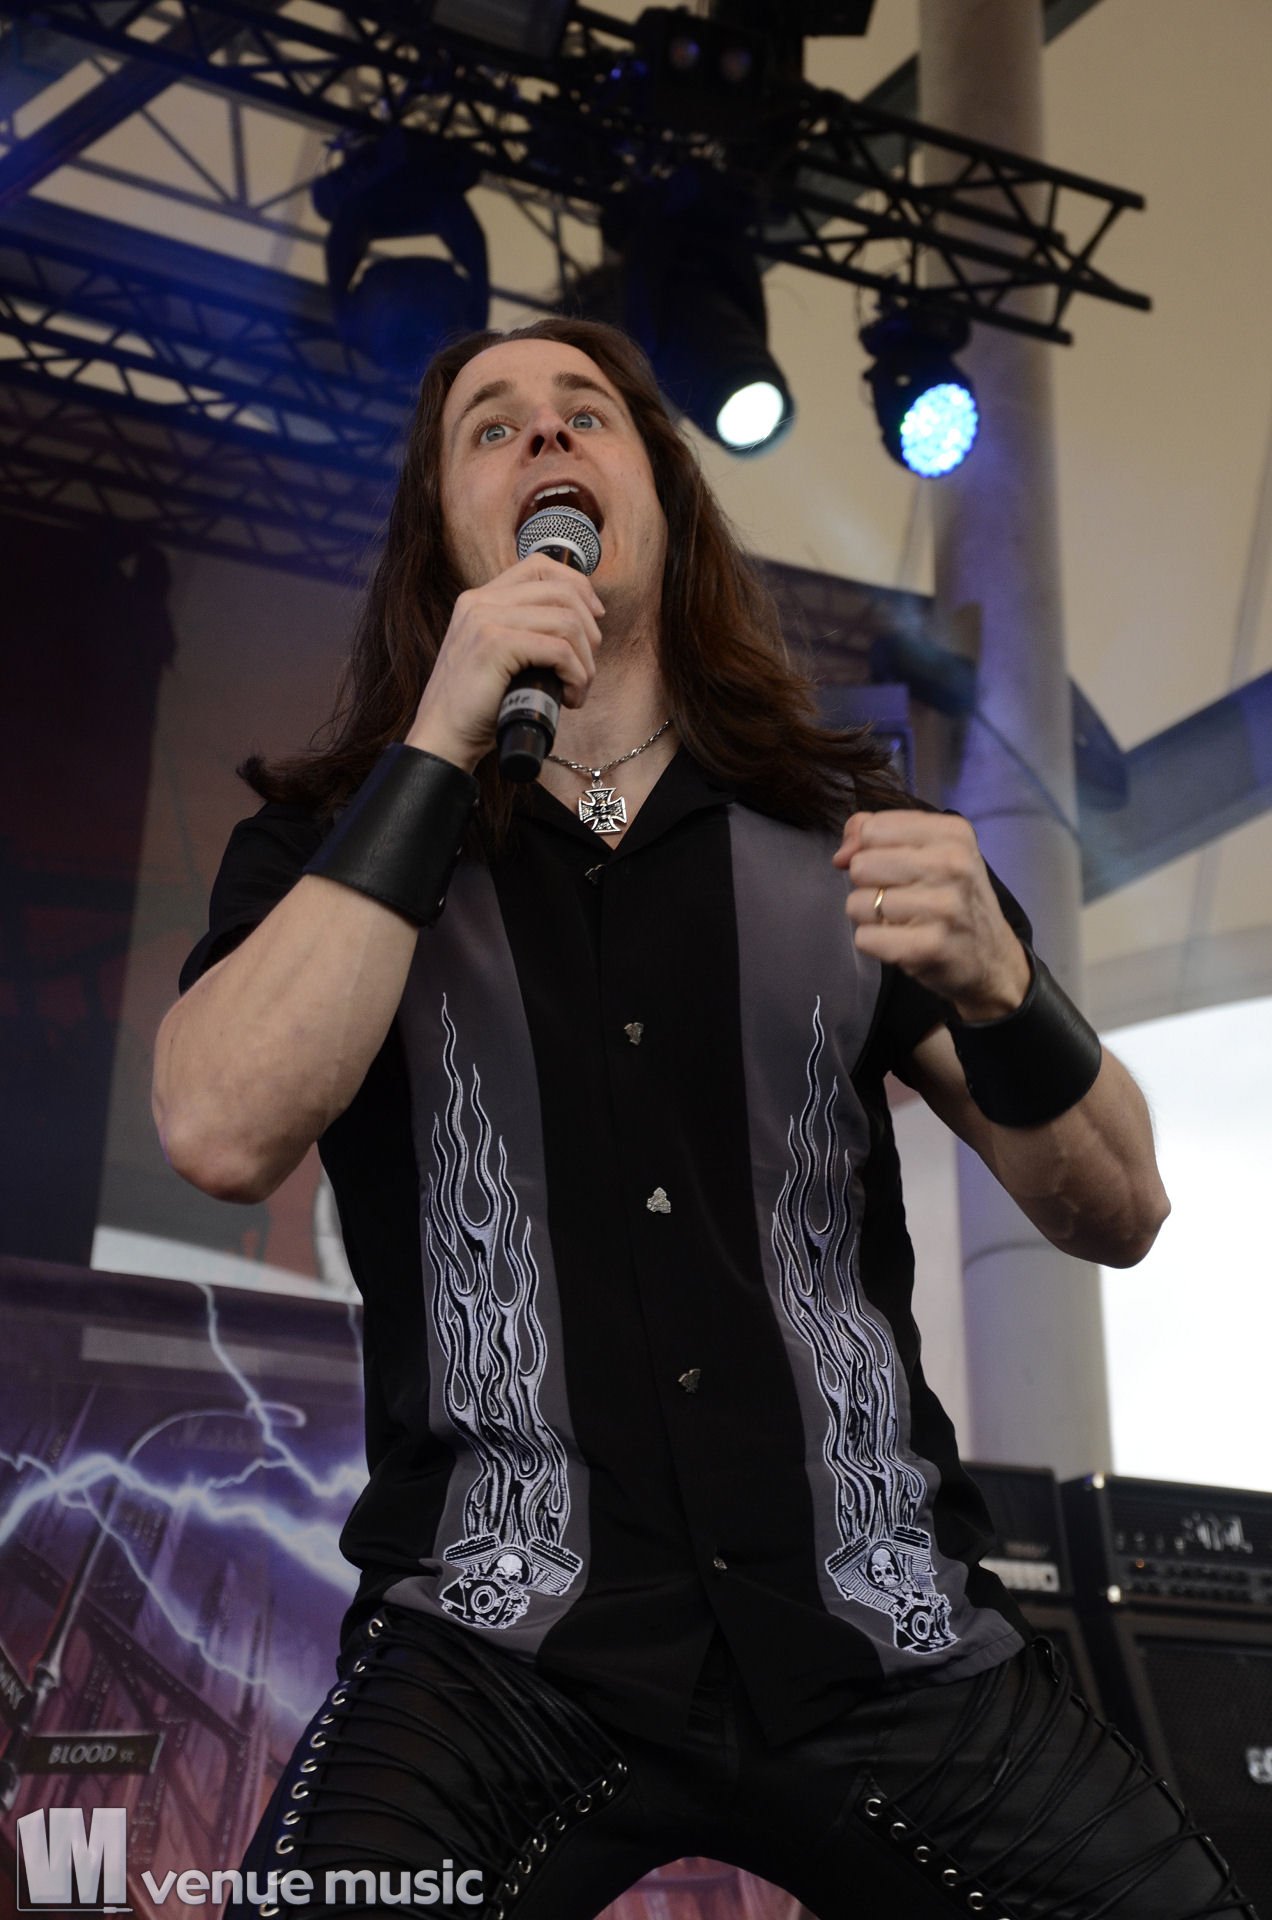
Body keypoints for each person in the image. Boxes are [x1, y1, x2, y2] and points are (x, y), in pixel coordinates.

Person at [153, 317, 1253, 1920]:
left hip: (877, 1629)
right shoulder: (332, 844)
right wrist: (440, 739)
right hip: (498, 1637)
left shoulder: (846, 827)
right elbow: (215, 1131)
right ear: (444, 541)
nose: (546, 437)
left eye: (585, 413)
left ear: (661, 497)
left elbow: (1123, 1205)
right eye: (491, 428)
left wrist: (1011, 984)